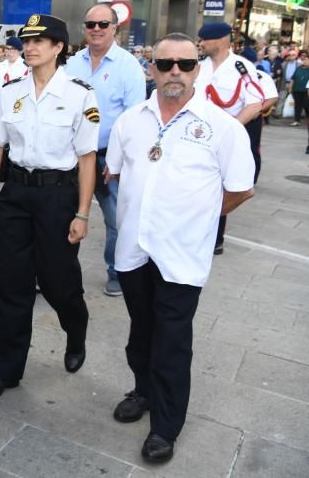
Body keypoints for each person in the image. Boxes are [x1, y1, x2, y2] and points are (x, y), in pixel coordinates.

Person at [106, 33, 255, 464]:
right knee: (140, 331)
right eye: (165, 63)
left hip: (181, 254)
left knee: (172, 341)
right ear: (150, 68)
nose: (175, 71)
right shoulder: (130, 121)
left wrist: (203, 217)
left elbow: (241, 189)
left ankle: (165, 426)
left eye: (185, 64)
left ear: (198, 69)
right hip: (135, 249)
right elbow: (114, 173)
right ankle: (143, 391)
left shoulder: (222, 127)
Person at [0, 13, 98, 400]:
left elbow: (86, 159)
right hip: (16, 195)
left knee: (58, 282)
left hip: (58, 198)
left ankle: (75, 329)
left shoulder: (79, 94)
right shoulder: (10, 91)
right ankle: (5, 370)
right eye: (26, 41)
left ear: (59, 48)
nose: (29, 47)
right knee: (9, 284)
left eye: (39, 41)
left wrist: (82, 213)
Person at [66, 4, 146, 296]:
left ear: (115, 28)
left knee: (117, 221)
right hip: (72, 158)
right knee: (62, 215)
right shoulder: (72, 64)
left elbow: (135, 119)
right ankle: (58, 272)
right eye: (90, 24)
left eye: (103, 24)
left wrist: (117, 162)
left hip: (108, 160)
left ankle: (116, 272)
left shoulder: (128, 66)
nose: (96, 29)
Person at [195, 22, 263, 255]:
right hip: (197, 135)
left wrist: (230, 128)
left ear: (221, 40)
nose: (201, 44)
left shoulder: (241, 67)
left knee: (220, 186)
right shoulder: (198, 67)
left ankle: (215, 236)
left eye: (205, 39)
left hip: (224, 139)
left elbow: (255, 103)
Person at [288, 50, 309, 153]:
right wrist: (290, 88)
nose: (304, 61)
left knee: (306, 106)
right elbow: (293, 79)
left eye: (306, 60)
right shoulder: (298, 68)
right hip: (297, 90)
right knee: (297, 106)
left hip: (306, 92)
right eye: (303, 60)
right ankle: (297, 120)